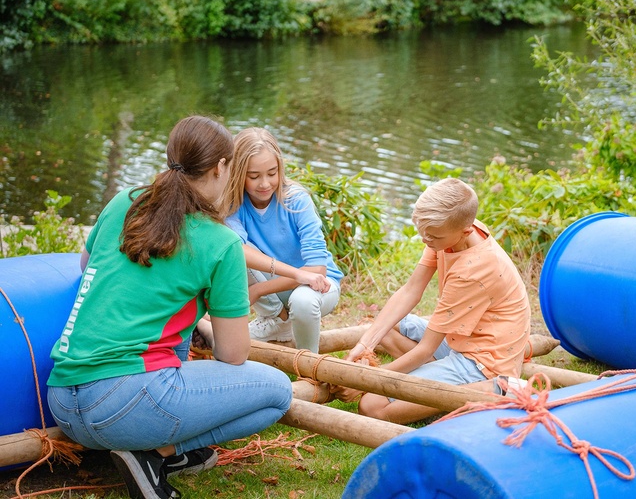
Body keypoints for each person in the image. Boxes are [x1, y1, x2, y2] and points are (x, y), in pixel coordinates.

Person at [47, 116, 293, 499]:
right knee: (278, 392)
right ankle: (156, 454)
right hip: (122, 406)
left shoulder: (124, 201)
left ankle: (166, 451)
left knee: (177, 330)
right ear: (221, 167)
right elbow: (233, 354)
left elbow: (86, 265)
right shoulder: (220, 242)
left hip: (62, 399)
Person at [343, 178, 531, 424]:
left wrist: (362, 380)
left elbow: (425, 350)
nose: (424, 241)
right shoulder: (454, 229)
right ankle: (440, 375)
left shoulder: (472, 271)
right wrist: (365, 345)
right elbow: (410, 290)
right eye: (422, 232)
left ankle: (494, 389)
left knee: (371, 405)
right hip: (463, 339)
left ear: (466, 230)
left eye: (432, 236)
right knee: (387, 329)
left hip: (485, 360)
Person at [222, 127, 342, 352]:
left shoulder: (297, 200)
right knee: (232, 249)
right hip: (277, 288)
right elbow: (236, 251)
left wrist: (259, 290)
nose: (265, 183)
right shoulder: (233, 206)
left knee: (303, 302)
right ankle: (276, 320)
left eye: (272, 173)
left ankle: (309, 365)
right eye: (254, 176)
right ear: (239, 174)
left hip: (317, 286)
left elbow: (317, 270)